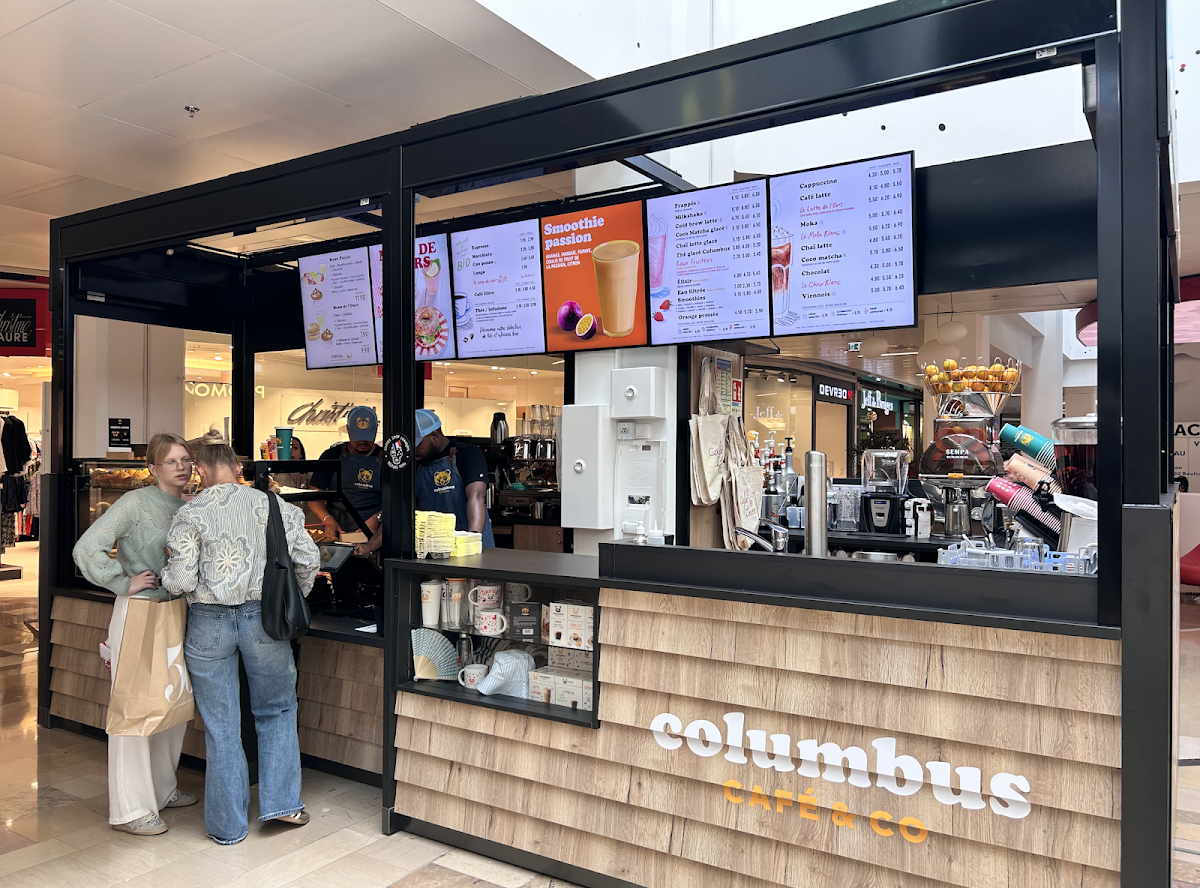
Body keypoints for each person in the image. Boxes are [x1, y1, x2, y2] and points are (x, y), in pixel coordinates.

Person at [162, 443, 320, 846]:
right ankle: (283, 805)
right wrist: (287, 599)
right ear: (237, 466)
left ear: (198, 469)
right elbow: (308, 560)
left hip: (207, 623)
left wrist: (163, 574)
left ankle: (227, 827)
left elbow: (179, 582)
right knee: (277, 710)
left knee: (221, 727)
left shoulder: (190, 513)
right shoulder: (275, 506)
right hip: (263, 619)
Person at [72, 432, 199, 837]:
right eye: (172, 461)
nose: (182, 467)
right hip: (141, 611)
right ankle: (131, 808)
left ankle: (162, 788)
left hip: (178, 611)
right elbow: (86, 548)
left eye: (186, 459)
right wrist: (120, 581)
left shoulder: (192, 506)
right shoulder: (134, 503)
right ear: (152, 468)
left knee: (170, 703)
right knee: (133, 706)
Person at [413, 408, 494, 547]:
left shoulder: (467, 454)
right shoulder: (417, 463)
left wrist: (471, 539)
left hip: (467, 540)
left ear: (434, 435)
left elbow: (476, 496)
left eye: (418, 444)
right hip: (434, 543)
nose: (414, 450)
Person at [308, 406, 382, 541]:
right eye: (358, 437)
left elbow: (396, 502)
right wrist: (327, 519)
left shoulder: (386, 459)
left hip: (374, 528)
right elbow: (313, 496)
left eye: (367, 438)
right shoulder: (332, 455)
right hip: (336, 525)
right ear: (348, 430)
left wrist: (377, 518)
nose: (363, 442)